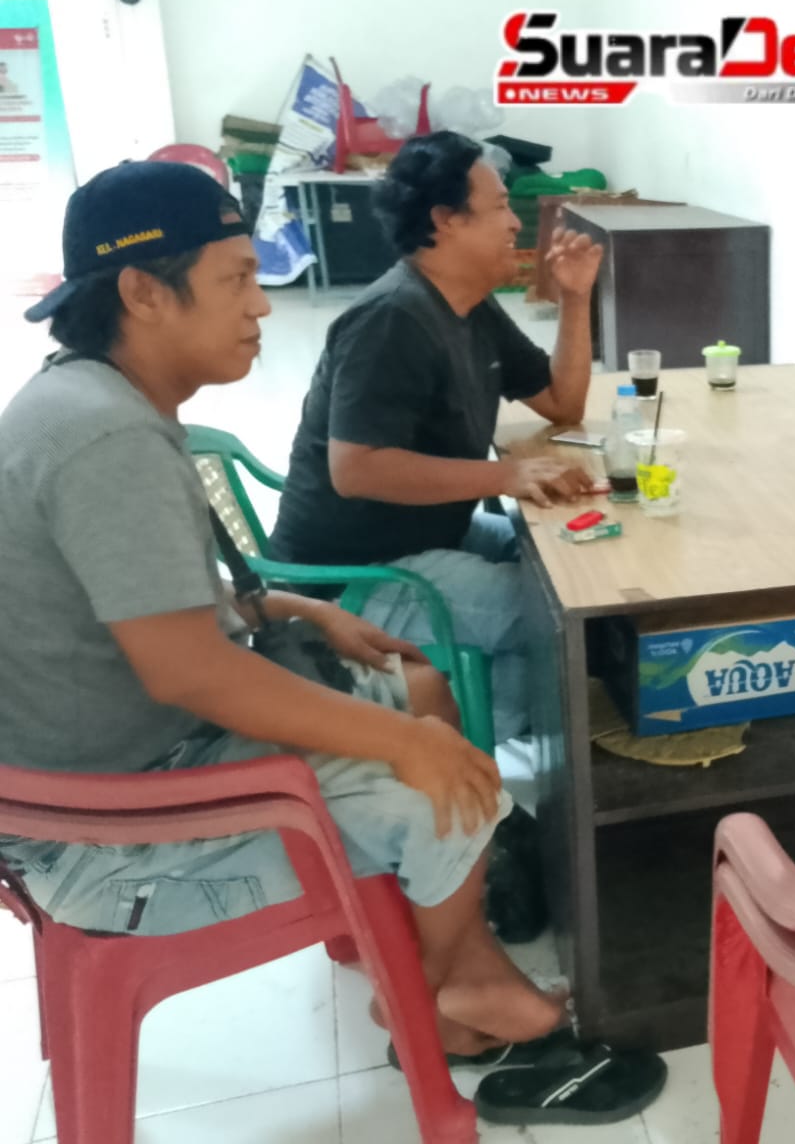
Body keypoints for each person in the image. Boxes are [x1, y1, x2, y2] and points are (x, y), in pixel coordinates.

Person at [0, 160, 664, 1123]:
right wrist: (404, 744)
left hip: (110, 766)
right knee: (443, 777)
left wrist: (297, 612)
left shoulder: (90, 404)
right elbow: (186, 670)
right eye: (235, 278)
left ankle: (459, 980)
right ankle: (445, 1004)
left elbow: (143, 616)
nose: (262, 305)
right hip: (101, 832)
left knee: (423, 706)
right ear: (143, 292)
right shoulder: (107, 440)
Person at [270, 131, 602, 748]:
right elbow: (356, 468)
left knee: (574, 554)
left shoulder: (469, 305)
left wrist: (576, 299)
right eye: (499, 206)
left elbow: (562, 402)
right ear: (446, 220)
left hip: (432, 537)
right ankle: (470, 753)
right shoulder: (391, 319)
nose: (515, 222)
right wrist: (503, 475)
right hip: (358, 578)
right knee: (566, 611)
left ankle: (506, 735)